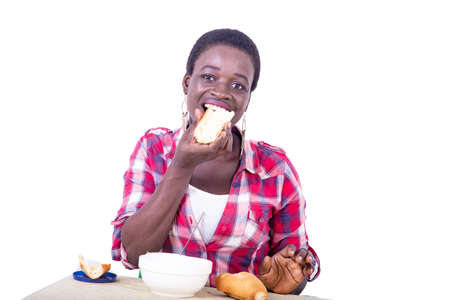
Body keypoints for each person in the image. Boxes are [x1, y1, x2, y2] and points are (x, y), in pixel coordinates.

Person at [111, 28, 320, 294]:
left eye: (237, 85)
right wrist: (182, 166)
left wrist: (289, 281)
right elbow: (133, 255)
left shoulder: (274, 170)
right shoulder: (154, 149)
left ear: (247, 99)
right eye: (209, 77)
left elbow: (293, 270)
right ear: (187, 83)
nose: (221, 92)